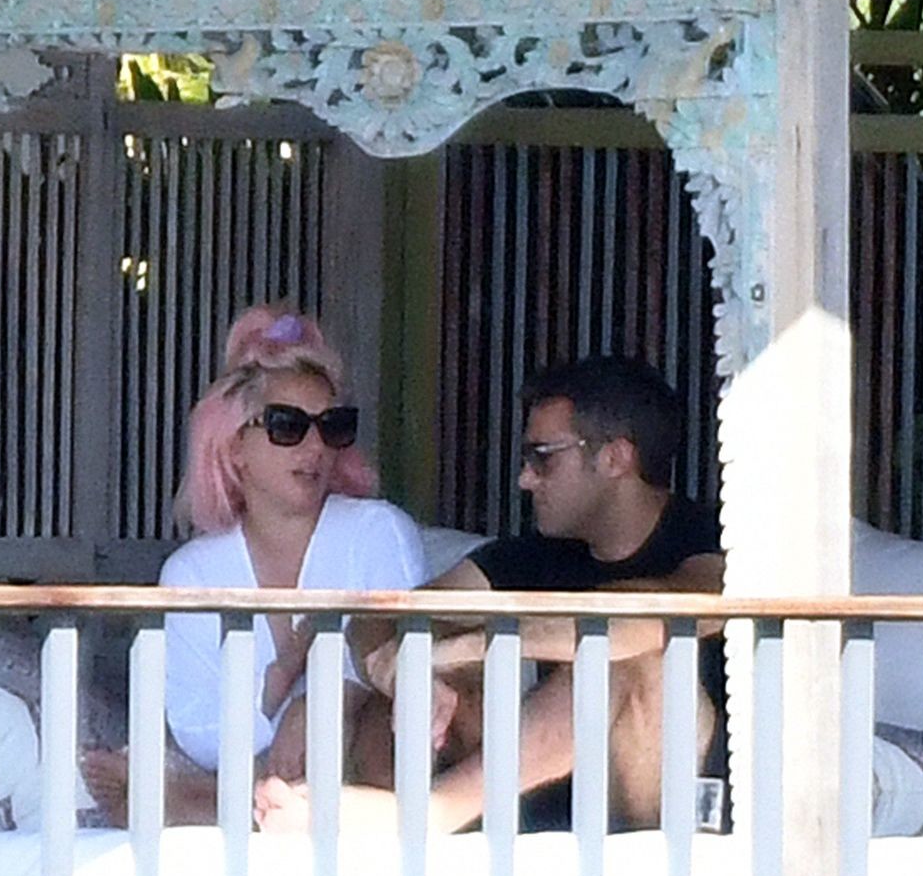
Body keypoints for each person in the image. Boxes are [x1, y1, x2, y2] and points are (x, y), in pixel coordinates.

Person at [255, 355, 724, 835]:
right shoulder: (536, 554)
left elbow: (661, 613)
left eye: (543, 457)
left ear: (614, 458)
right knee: (422, 667)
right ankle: (390, 833)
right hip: (552, 817)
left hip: (676, 822)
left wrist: (471, 644)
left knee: (629, 656)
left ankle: (428, 813)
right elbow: (384, 619)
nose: (525, 479)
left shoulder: (716, 541)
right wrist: (403, 672)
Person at [81, 307, 426, 824]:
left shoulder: (379, 531)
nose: (315, 447)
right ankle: (249, 799)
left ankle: (202, 801)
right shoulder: (191, 572)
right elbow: (199, 729)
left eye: (332, 427)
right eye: (288, 426)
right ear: (235, 444)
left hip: (373, 764)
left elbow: (411, 658)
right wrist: (279, 679)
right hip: (250, 769)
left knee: (370, 722)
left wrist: (326, 702)